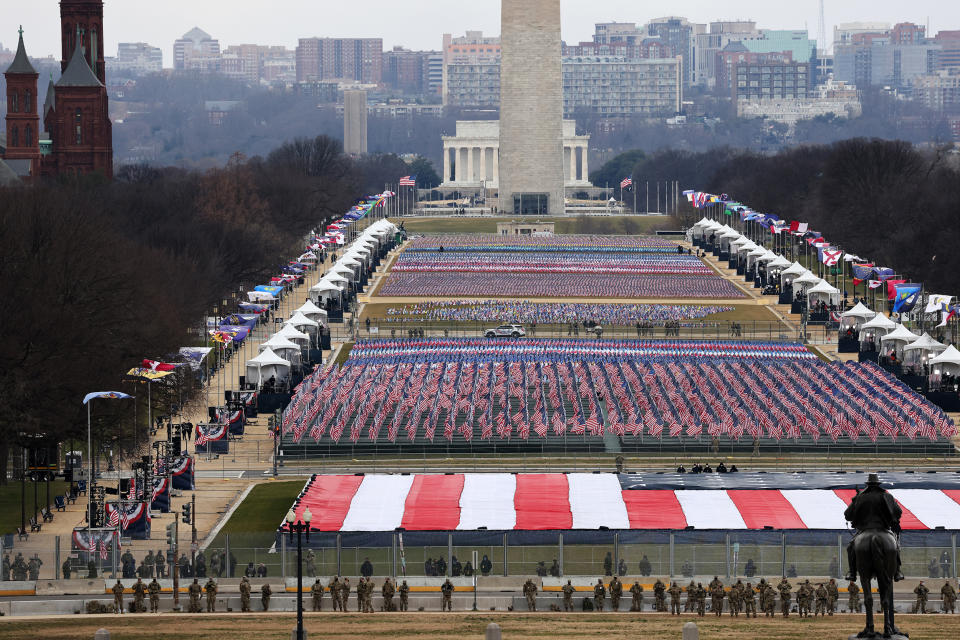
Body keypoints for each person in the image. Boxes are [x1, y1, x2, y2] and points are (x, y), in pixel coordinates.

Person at [844, 474, 904, 583]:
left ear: (867, 485)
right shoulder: (887, 496)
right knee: (896, 546)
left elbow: (847, 515)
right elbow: (899, 513)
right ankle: (897, 572)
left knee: (850, 548)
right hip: (883, 529)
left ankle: (852, 572)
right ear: (878, 485)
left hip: (865, 529)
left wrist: (856, 501)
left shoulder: (861, 496)